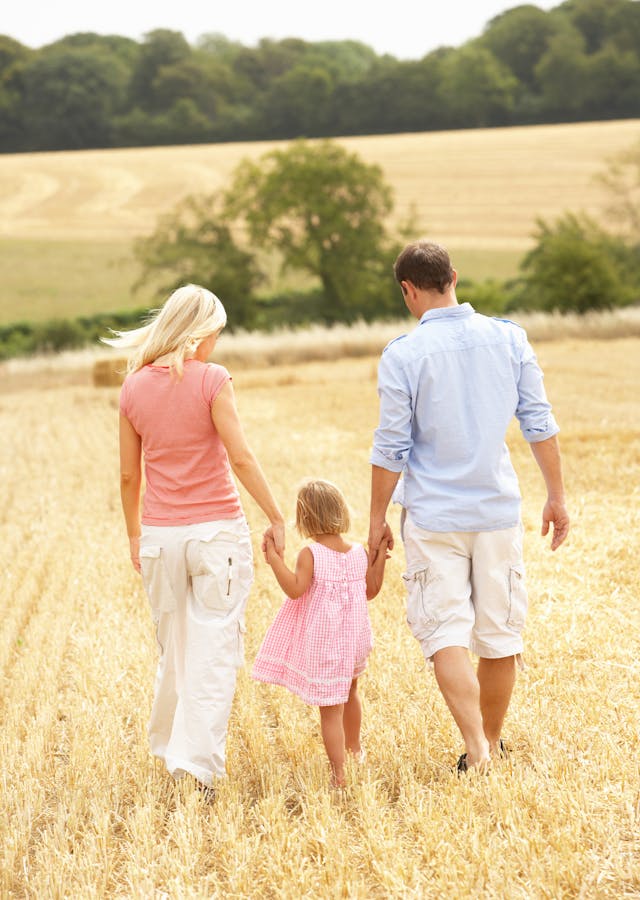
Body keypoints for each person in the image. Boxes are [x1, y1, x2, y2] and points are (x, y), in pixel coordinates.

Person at [368, 241, 570, 773]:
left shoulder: (403, 355)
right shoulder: (509, 338)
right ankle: (493, 742)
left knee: (446, 634)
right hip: (497, 510)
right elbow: (539, 422)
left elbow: (391, 446)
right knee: (500, 634)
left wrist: (376, 518)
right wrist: (557, 495)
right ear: (454, 276)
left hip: (434, 518)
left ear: (408, 289)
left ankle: (477, 748)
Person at [103, 284, 285, 793]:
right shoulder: (212, 380)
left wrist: (134, 536)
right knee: (214, 650)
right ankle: (196, 767)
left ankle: (168, 747)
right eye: (215, 336)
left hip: (161, 538)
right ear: (200, 333)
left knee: (175, 648)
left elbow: (127, 476)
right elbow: (241, 457)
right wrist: (275, 514)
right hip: (216, 537)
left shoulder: (133, 387)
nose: (215, 347)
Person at [252, 478, 389, 787]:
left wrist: (274, 559)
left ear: (305, 518)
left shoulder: (310, 554)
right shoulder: (356, 552)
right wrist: (379, 558)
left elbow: (295, 590)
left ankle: (338, 774)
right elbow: (371, 590)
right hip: (354, 641)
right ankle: (355, 750)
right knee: (351, 693)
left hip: (326, 644)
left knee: (330, 710)